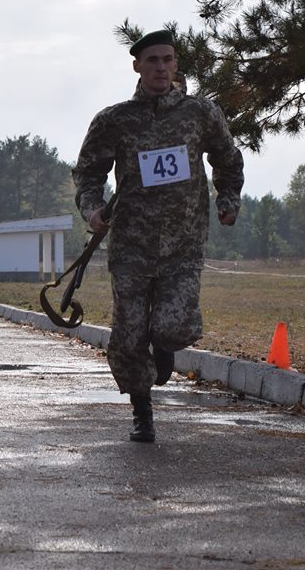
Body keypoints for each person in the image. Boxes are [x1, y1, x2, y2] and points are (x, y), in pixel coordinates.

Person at [71, 29, 244, 442]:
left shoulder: (200, 114)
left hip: (183, 243)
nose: (161, 67)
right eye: (153, 61)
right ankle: (142, 411)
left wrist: (228, 199)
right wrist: (92, 210)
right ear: (138, 66)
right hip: (131, 243)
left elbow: (227, 158)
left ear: (176, 64)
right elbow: (88, 173)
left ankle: (164, 345)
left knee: (173, 325)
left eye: (168, 59)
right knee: (129, 335)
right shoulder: (115, 120)